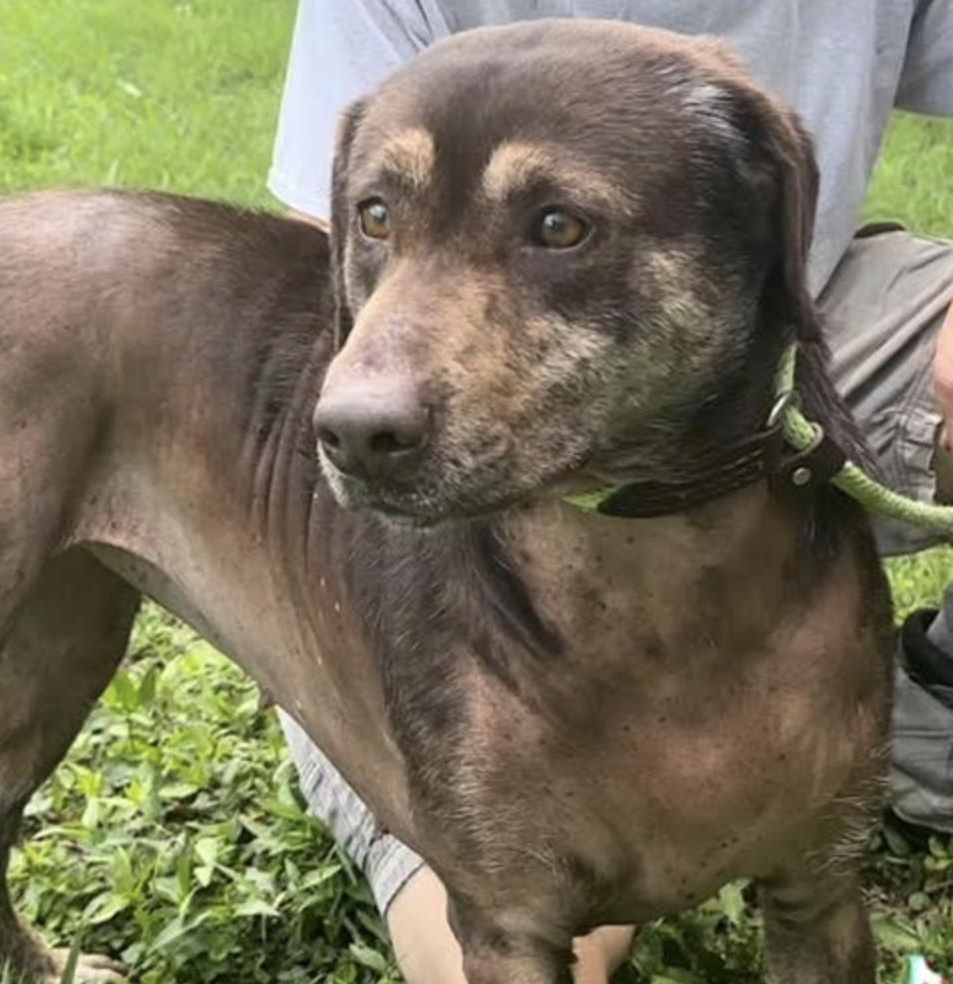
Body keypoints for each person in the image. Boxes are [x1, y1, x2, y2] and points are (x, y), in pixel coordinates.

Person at [268, 2, 953, 981]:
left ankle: (932, 704)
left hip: (799, 318)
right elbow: (317, 302)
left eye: (555, 225)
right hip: (439, 566)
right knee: (552, 931)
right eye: (378, 217)